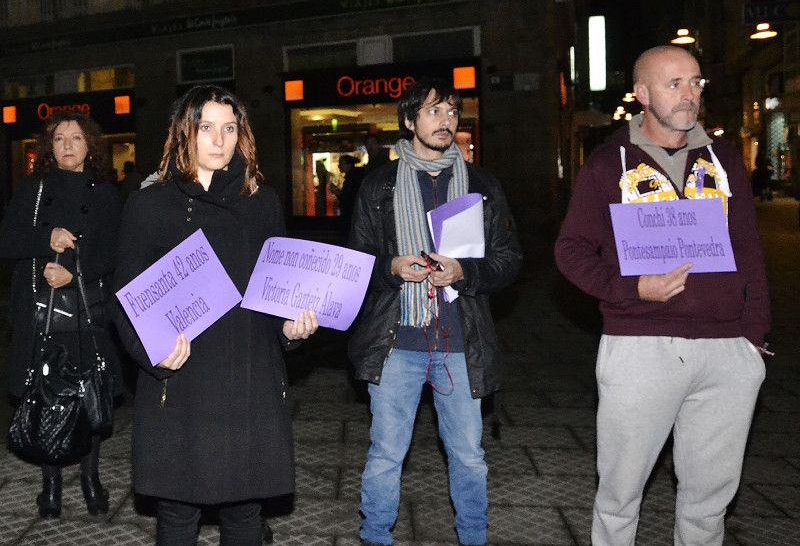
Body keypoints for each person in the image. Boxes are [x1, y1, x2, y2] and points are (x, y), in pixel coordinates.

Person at [555, 45, 769, 546]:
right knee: (620, 494)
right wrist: (631, 288)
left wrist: (753, 340)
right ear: (643, 95)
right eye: (675, 84)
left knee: (709, 500)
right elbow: (570, 251)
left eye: (695, 82)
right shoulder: (608, 165)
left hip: (726, 351)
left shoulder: (725, 161)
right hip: (640, 345)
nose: (689, 93)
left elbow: (750, 254)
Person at [112, 84, 318, 546]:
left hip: (248, 379)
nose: (219, 141)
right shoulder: (149, 205)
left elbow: (276, 293)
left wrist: (292, 331)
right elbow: (125, 298)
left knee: (245, 512)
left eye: (229, 128)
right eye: (206, 128)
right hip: (181, 381)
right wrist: (152, 351)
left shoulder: (262, 202)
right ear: (183, 133)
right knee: (178, 511)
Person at [349, 80, 521, 546]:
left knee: (468, 455)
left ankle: (472, 536)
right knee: (386, 453)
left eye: (451, 112)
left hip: (461, 342)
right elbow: (356, 262)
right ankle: (375, 537)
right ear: (409, 122)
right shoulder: (379, 185)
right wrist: (391, 267)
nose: (445, 121)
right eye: (433, 112)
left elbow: (509, 259)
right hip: (396, 340)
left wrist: (465, 272)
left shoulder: (481, 185)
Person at [0, 112, 124, 519]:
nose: (68, 145)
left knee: (88, 393)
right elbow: (2, 243)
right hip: (40, 312)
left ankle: (90, 478)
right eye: (59, 138)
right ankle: (49, 485)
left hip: (84, 310)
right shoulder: (33, 190)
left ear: (90, 146)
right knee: (45, 392)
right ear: (49, 147)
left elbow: (114, 253)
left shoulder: (106, 194)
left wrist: (75, 271)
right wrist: (43, 238)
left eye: (76, 138)